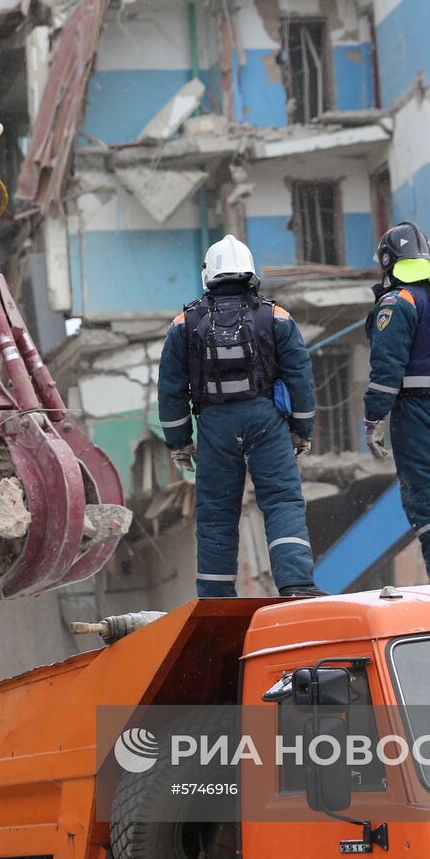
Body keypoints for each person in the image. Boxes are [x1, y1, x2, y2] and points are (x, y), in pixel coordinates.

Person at [157, 234, 325, 598]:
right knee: (281, 501)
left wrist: (180, 442)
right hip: (266, 422)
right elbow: (300, 378)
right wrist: (301, 429)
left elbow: (170, 389)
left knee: (217, 514)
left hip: (215, 427)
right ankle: (296, 585)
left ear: (208, 275)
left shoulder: (183, 325)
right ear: (251, 272)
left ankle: (215, 599)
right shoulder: (276, 317)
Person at [363, 222, 430, 584]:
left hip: (418, 410)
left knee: (428, 497)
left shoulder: (399, 302)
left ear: (387, 260)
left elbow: (386, 365)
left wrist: (374, 417)